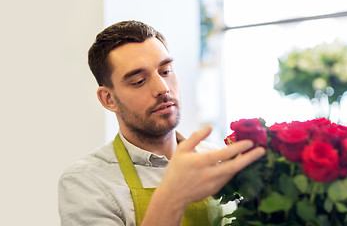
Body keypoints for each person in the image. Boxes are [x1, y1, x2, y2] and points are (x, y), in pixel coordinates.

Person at [58, 20, 265, 226]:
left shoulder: (214, 158)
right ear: (108, 99)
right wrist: (172, 194)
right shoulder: (86, 181)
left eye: (166, 71)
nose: (162, 88)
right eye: (139, 81)